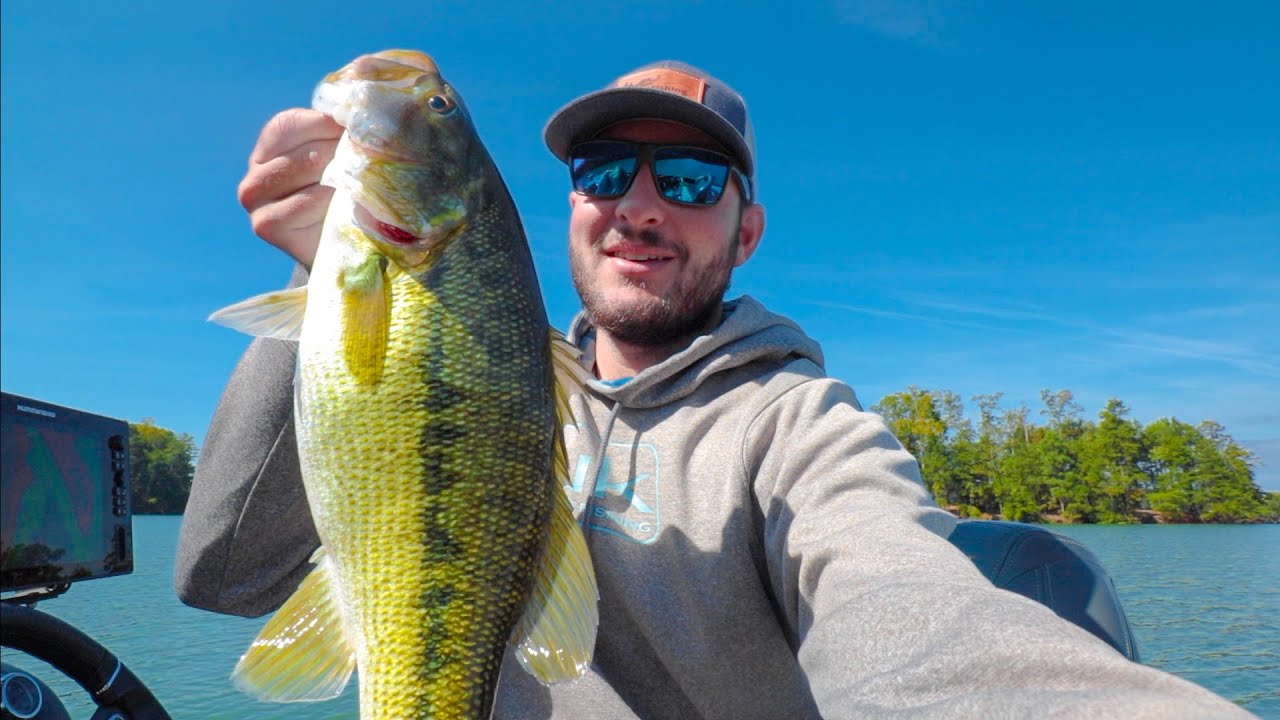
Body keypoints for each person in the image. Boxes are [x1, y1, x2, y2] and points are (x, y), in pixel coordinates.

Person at [175, 60, 1252, 719]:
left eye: (688, 180)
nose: (639, 204)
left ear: (746, 229)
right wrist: (323, 291)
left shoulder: (803, 431)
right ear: (569, 213)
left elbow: (907, 613)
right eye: (603, 174)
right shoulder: (478, 375)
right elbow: (222, 576)